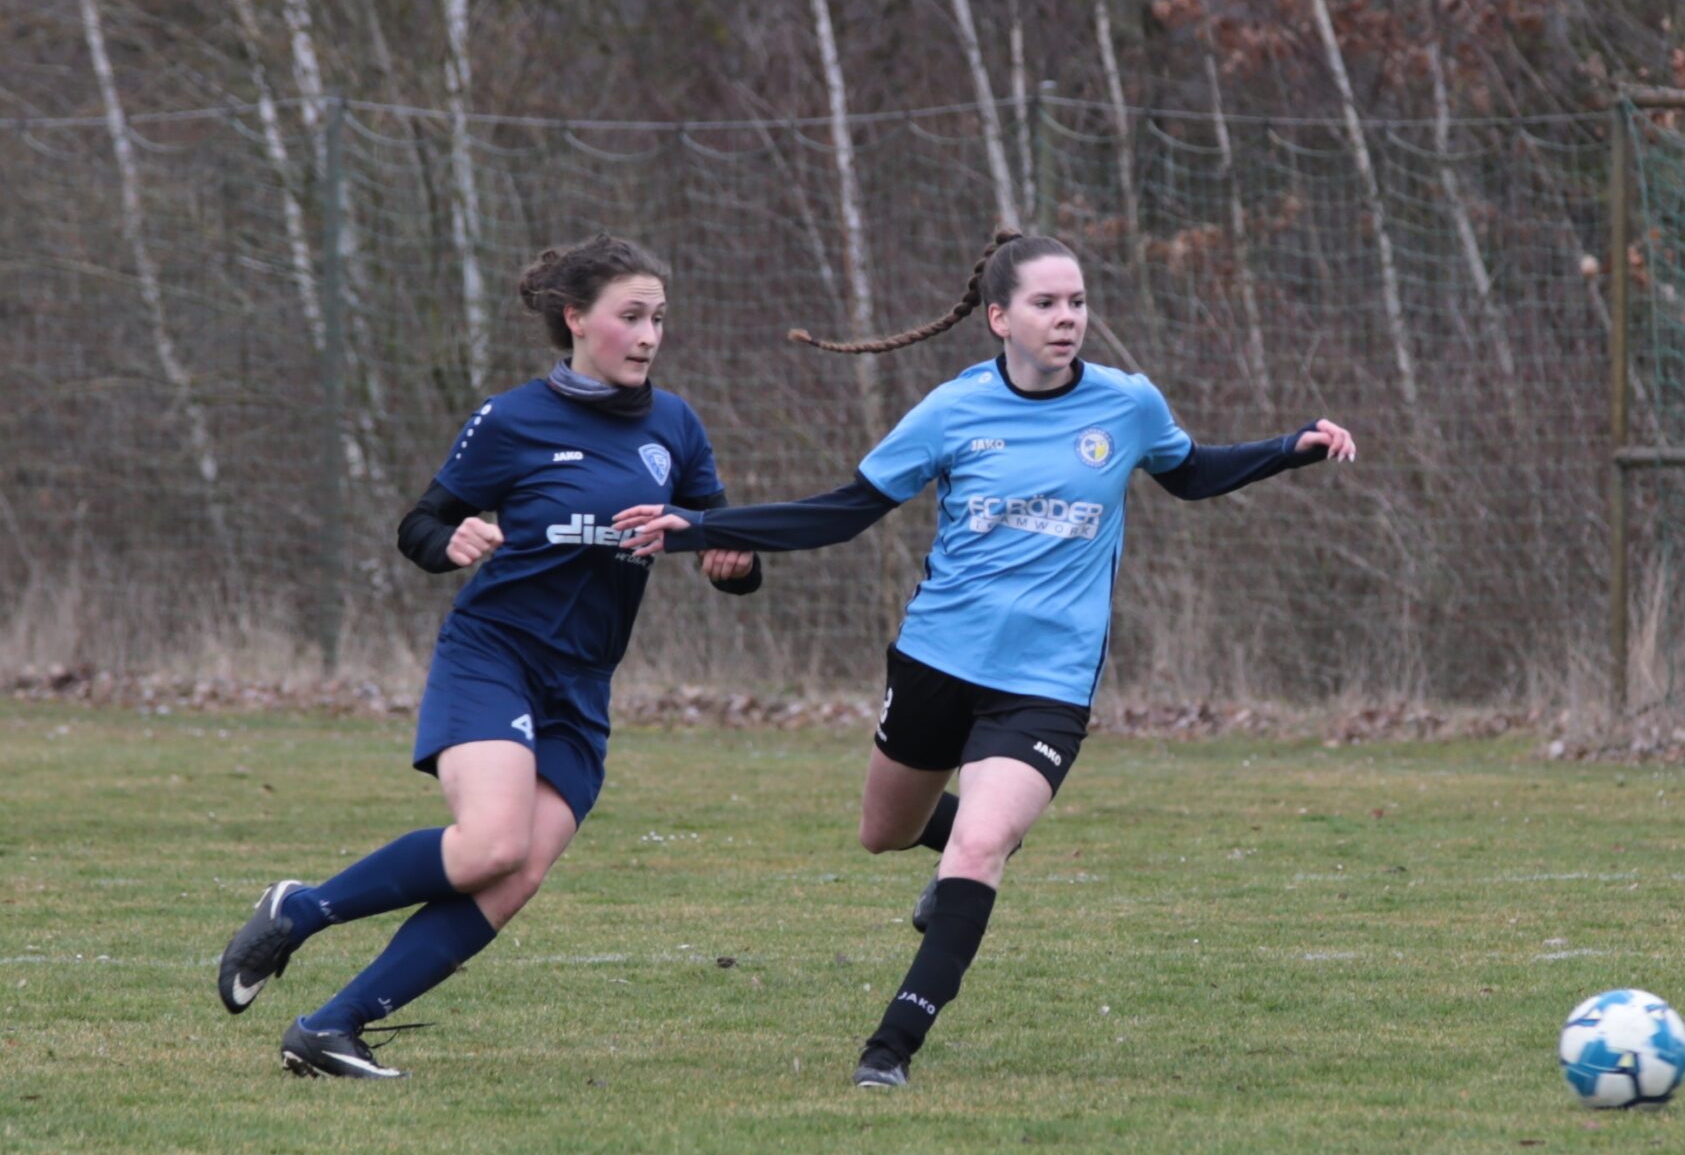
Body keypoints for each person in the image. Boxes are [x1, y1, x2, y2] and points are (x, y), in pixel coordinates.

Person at [615, 230, 1355, 1090]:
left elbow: (1190, 473)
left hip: (1046, 683)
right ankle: (974, 840)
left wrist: (1289, 447)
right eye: (1046, 303)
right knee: (884, 833)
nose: (1067, 317)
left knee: (977, 849)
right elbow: (846, 511)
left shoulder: (1127, 405)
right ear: (1000, 318)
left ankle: (889, 1049)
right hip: (936, 661)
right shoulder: (952, 411)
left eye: (1077, 302)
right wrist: (702, 527)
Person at [217, 233, 762, 1079]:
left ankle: (330, 1029)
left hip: (583, 683)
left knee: (516, 876)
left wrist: (733, 558)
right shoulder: (512, 419)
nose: (649, 335)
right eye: (631, 317)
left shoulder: (675, 425)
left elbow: (721, 542)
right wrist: (453, 540)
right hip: (495, 654)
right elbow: (420, 525)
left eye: (658, 318)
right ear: (575, 319)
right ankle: (302, 909)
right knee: (490, 846)